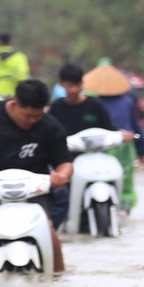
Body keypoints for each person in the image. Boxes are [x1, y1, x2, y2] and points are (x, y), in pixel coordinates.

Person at [0, 76, 72, 273]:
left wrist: (62, 175)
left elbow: (65, 162)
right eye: (28, 116)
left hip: (35, 195)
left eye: (38, 116)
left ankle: (58, 279)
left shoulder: (51, 127)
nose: (33, 121)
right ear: (14, 104)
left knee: (50, 235)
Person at [44, 63, 121, 227]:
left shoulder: (95, 105)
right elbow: (48, 132)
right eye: (70, 85)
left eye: (77, 85)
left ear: (82, 84)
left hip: (94, 157)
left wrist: (123, 135)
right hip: (67, 160)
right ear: (62, 85)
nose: (74, 90)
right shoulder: (57, 108)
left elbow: (110, 128)